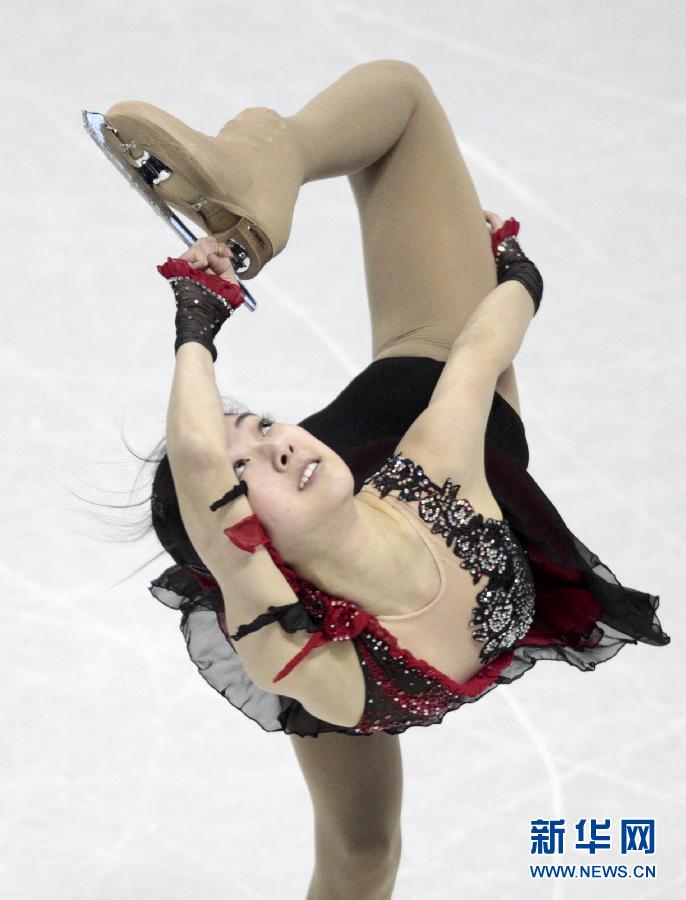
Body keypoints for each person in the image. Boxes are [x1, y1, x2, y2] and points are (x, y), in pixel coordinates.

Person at [106, 61, 669, 898]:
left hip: (424, 412)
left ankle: (258, 177)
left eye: (263, 426)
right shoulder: (298, 648)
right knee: (365, 853)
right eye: (246, 463)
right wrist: (196, 317)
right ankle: (260, 182)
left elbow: (480, 353)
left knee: (399, 96)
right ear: (249, 551)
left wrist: (517, 274)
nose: (278, 444)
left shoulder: (433, 476)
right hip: (363, 534)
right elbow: (202, 472)